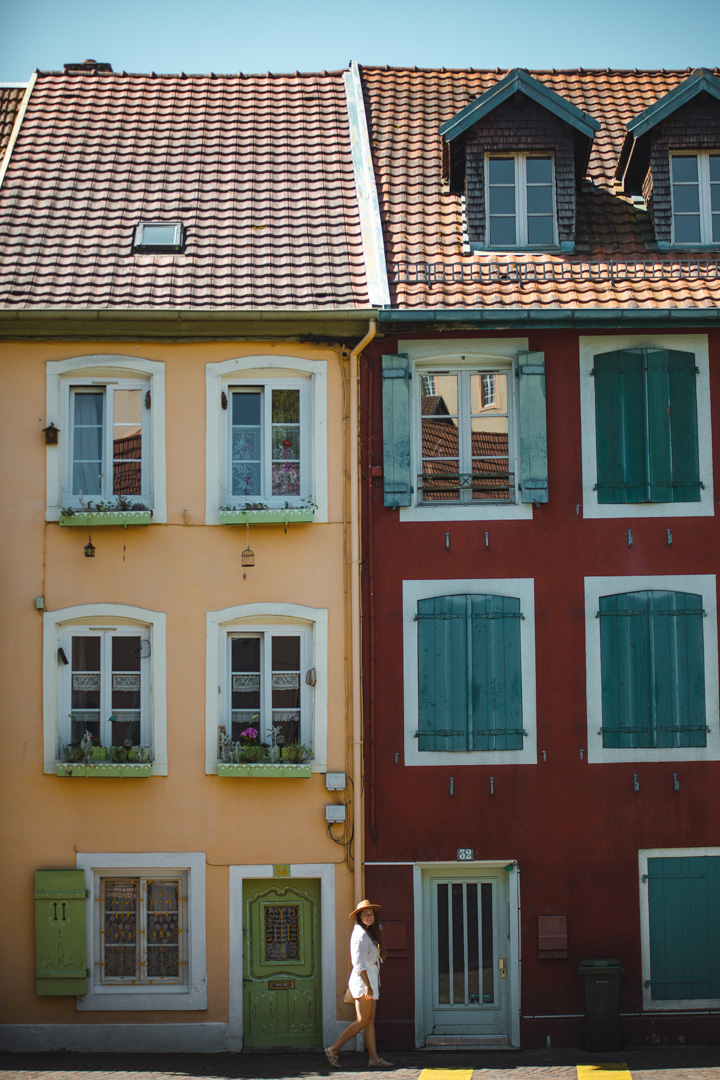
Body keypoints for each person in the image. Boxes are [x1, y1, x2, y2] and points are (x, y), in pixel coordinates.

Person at [325, 898, 392, 1069]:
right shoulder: (360, 935)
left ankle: (373, 1058)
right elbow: (358, 963)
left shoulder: (368, 932)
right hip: (364, 979)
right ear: (359, 917)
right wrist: (368, 985)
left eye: (371, 914)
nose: (369, 916)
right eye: (365, 914)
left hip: (371, 978)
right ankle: (333, 1049)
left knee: (369, 1020)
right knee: (362, 1020)